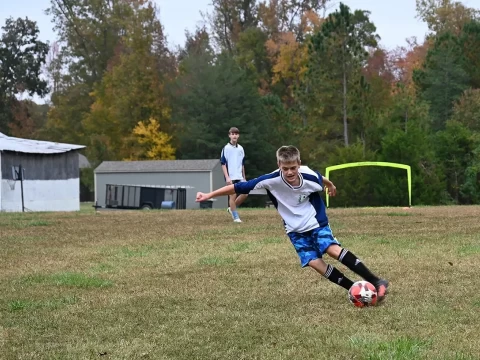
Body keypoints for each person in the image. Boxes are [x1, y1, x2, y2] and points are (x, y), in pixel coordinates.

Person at [197, 145, 389, 301]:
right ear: (279, 164)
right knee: (314, 262)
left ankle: (376, 281)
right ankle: (353, 289)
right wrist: (209, 195)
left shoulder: (308, 175)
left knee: (331, 249)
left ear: (299, 163)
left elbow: (320, 178)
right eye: (285, 168)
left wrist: (330, 185)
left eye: (293, 168)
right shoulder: (270, 180)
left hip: (315, 221)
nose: (289, 172)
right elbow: (237, 186)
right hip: (294, 230)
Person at [220, 127, 248, 223]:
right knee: (233, 195)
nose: (234, 135)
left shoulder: (241, 149)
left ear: (238, 135)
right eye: (232, 134)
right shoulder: (226, 148)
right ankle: (236, 217)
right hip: (231, 177)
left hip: (239, 176)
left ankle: (231, 208)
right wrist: (227, 177)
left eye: (236, 134)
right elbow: (223, 164)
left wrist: (244, 177)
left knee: (245, 193)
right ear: (229, 135)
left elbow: (242, 164)